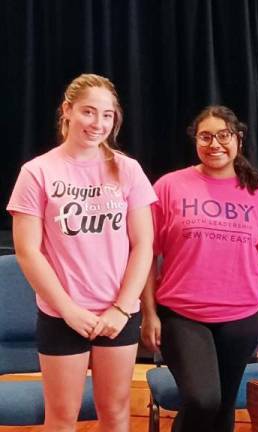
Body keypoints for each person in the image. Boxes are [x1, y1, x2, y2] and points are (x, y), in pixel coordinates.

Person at [7, 73, 156, 431]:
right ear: (67, 111)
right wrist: (69, 310)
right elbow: (28, 251)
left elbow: (143, 244)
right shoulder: (37, 171)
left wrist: (122, 307)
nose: (98, 123)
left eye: (107, 115)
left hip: (118, 314)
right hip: (63, 314)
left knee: (117, 413)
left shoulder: (128, 169)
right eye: (89, 112)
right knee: (60, 418)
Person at [140, 106, 258, 432]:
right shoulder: (169, 187)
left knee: (223, 406)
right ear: (196, 140)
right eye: (206, 136)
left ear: (239, 139)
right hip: (182, 314)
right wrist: (149, 314)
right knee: (203, 399)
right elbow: (146, 255)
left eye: (223, 135)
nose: (214, 144)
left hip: (243, 318)